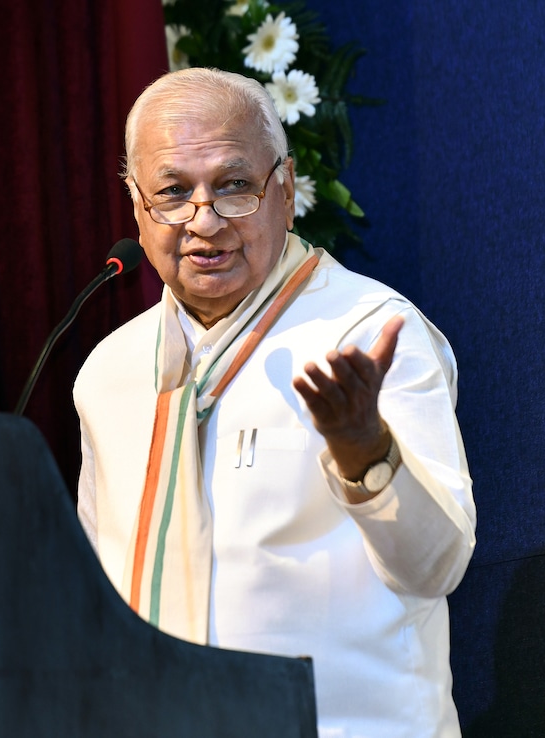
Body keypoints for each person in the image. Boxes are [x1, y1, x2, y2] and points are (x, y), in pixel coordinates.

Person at [75, 68, 476, 737]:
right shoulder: (108, 372)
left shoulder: (369, 333)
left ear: (285, 191)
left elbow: (438, 565)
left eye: (234, 185)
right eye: (172, 192)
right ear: (137, 208)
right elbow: (95, 587)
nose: (204, 221)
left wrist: (367, 454)